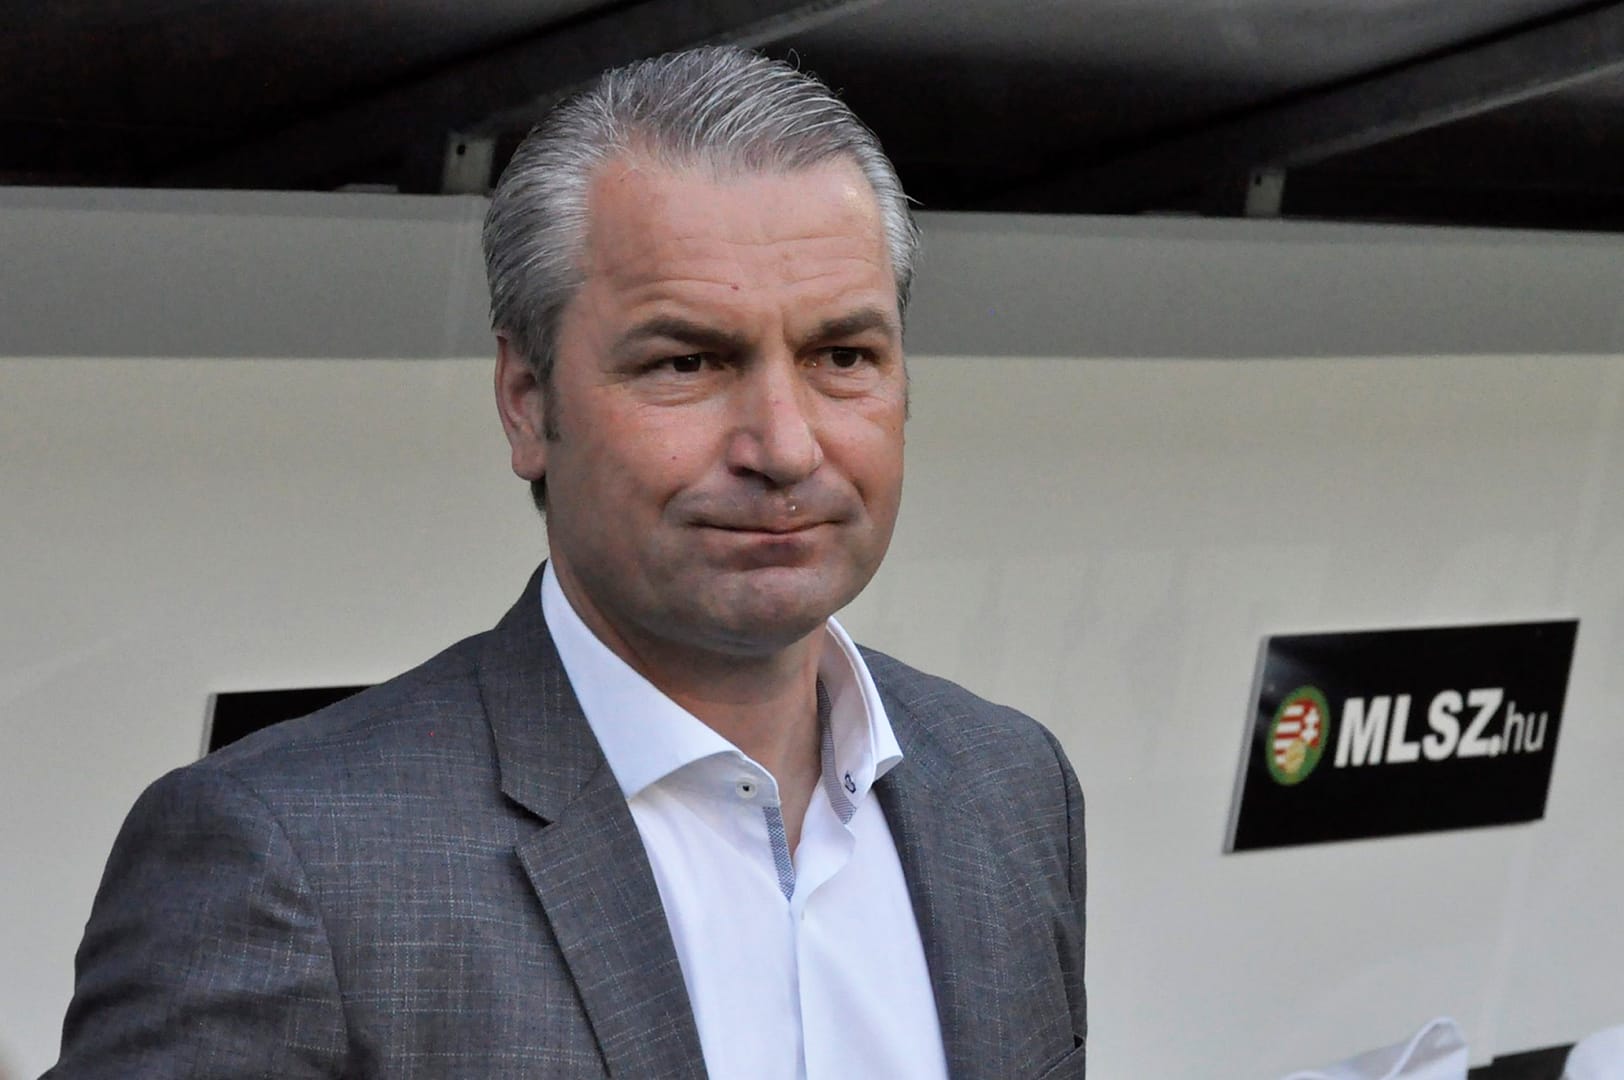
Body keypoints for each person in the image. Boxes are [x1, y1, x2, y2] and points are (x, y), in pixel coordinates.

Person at [48, 46, 1086, 1079]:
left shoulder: (1008, 785)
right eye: (687, 361)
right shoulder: (287, 859)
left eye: (843, 357)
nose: (784, 445)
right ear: (526, 401)